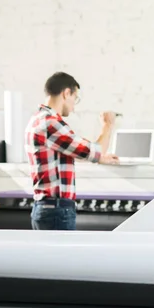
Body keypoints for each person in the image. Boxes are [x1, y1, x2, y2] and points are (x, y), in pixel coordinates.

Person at [25, 71, 119, 230]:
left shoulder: (37, 119)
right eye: (75, 99)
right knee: (62, 256)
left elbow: (77, 152)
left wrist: (100, 157)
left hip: (46, 208)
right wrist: (108, 124)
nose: (74, 107)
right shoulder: (50, 123)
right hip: (56, 210)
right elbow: (96, 150)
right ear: (66, 93)